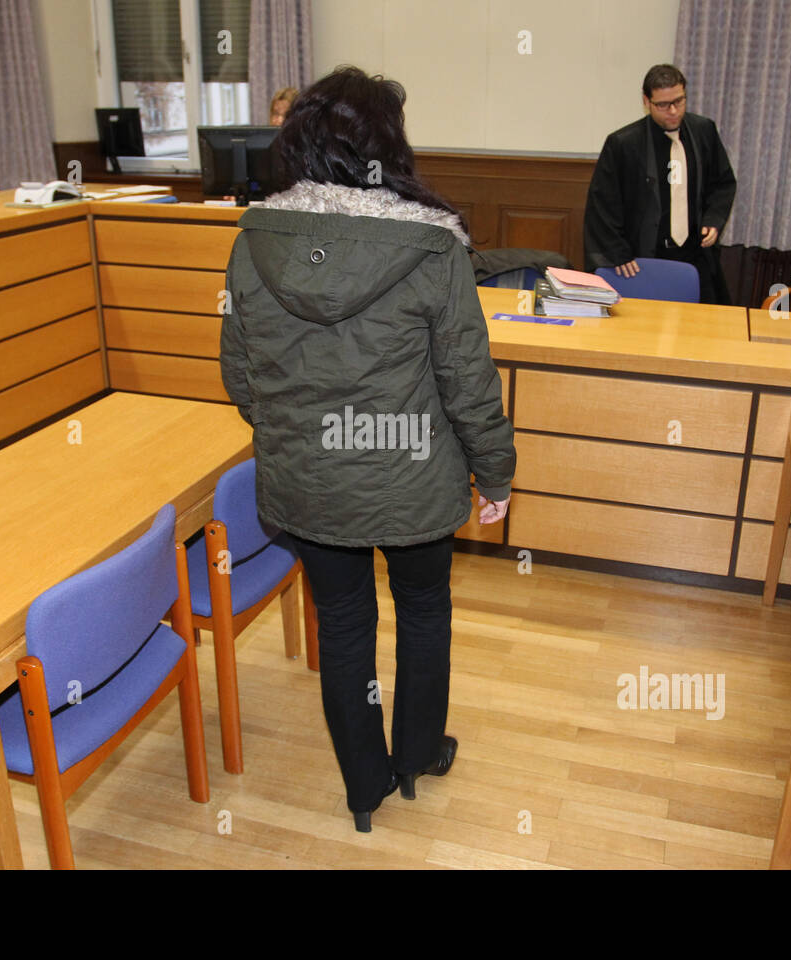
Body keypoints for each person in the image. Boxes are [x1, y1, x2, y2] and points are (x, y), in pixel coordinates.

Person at [221, 65, 516, 832]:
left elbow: (240, 373)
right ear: (388, 144)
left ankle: (364, 787)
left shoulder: (253, 239)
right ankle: (416, 755)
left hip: (310, 486)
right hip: (414, 481)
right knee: (423, 611)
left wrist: (295, 436)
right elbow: (467, 379)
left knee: (343, 626)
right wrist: (497, 469)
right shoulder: (432, 246)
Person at [583, 64, 736, 304]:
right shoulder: (623, 144)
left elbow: (723, 182)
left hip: (695, 254)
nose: (673, 111)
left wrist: (714, 220)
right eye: (663, 105)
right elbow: (603, 204)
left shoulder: (703, 130)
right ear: (646, 101)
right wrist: (618, 253)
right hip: (643, 257)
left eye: (679, 101)